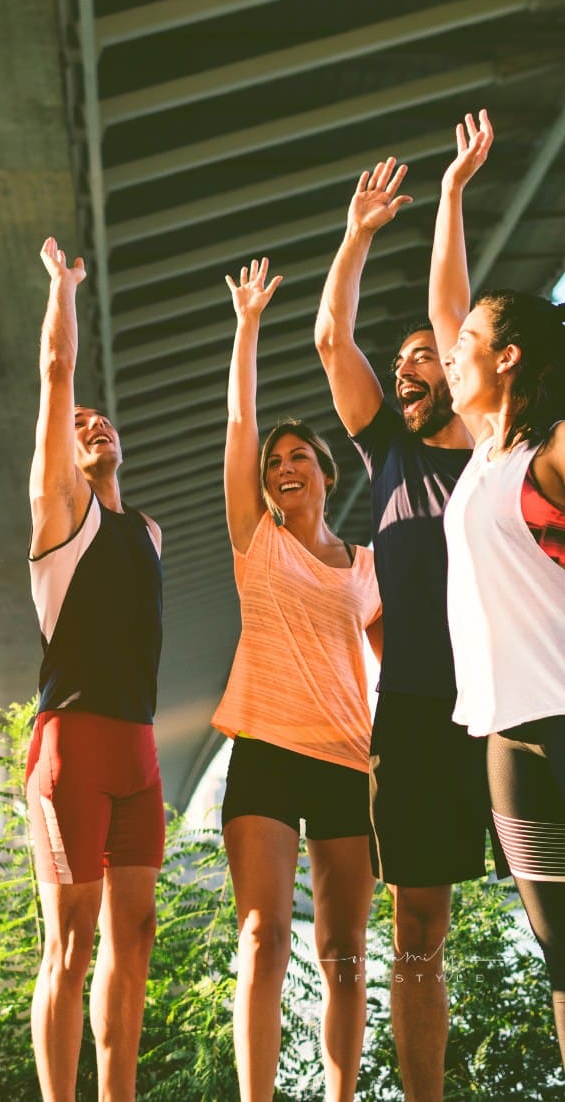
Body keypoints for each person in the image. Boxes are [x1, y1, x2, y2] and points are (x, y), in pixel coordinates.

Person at [314, 119, 494, 1102]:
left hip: (512, 704)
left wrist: (456, 198)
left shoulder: (488, 450)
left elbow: (456, 312)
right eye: (408, 359)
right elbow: (330, 338)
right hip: (417, 713)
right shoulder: (387, 448)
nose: (417, 364)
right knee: (416, 928)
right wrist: (357, 235)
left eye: (434, 354)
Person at [213, 257, 381, 1102]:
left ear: (326, 472)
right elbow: (240, 420)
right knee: (264, 936)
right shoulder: (257, 541)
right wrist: (248, 323)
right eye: (275, 460)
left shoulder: (363, 564)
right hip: (266, 752)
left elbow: (403, 662)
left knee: (345, 953)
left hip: (351, 759)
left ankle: (343, 1095)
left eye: (300, 457)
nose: (283, 466)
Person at [430, 146, 565, 1058]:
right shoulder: (483, 450)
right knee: (563, 965)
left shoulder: (548, 452)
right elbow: (450, 311)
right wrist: (450, 193)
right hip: (510, 743)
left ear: (508, 358)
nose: (448, 359)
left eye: (469, 348)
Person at [26, 237, 164, 1102]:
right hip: (71, 745)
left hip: (141, 753)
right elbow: (54, 370)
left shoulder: (149, 533)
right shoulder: (55, 521)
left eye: (102, 420)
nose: (93, 425)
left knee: (135, 937)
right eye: (79, 427)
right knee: (70, 944)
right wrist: (64, 287)